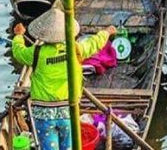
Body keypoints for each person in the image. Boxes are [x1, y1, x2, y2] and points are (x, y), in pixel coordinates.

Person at [12, 9, 115, 150]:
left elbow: (18, 52)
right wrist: (107, 32)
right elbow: (94, 43)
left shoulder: (36, 52)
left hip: (43, 113)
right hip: (68, 110)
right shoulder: (75, 49)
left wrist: (18, 36)